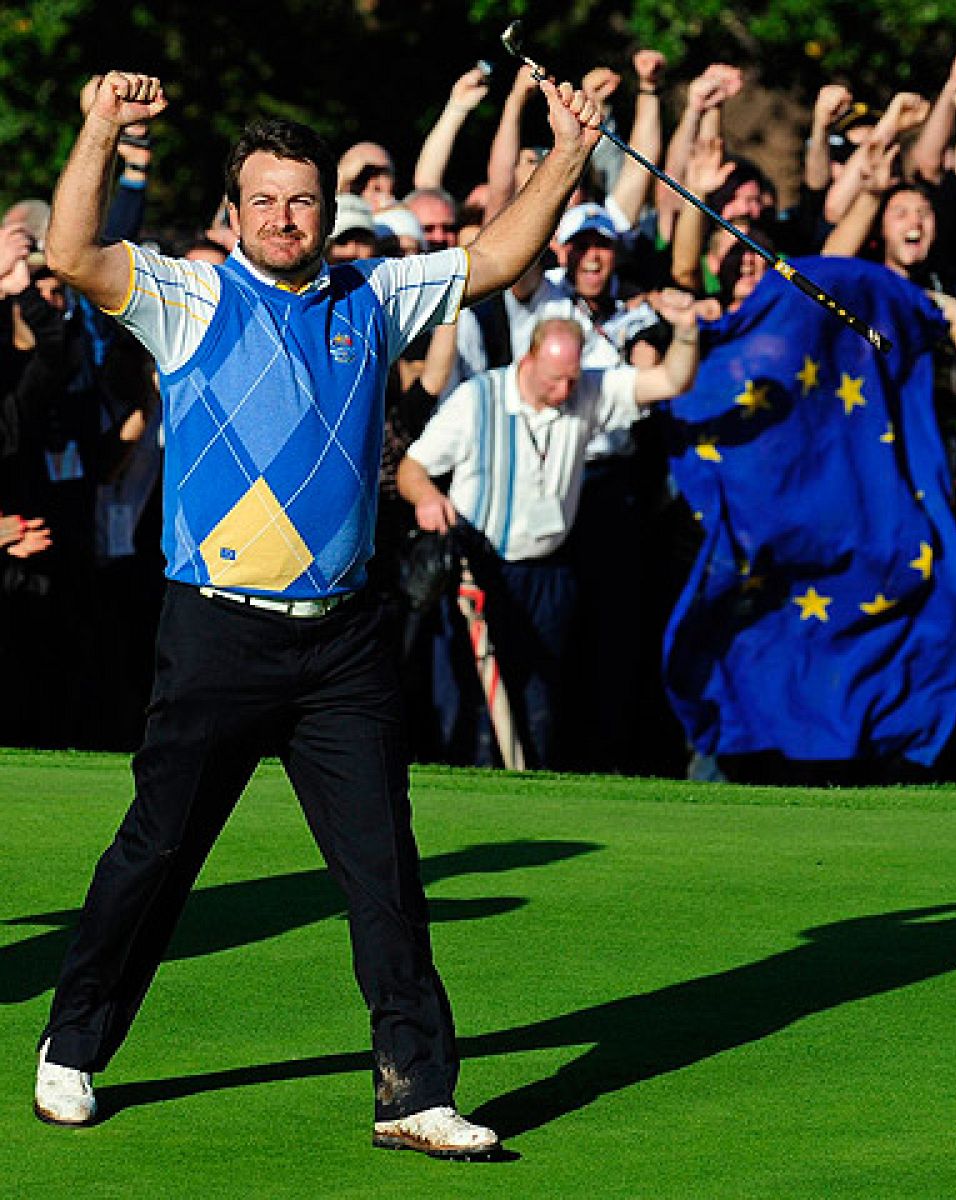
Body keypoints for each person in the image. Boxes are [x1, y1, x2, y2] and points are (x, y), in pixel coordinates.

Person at [32, 66, 604, 1159]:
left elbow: (497, 256)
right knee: (157, 852)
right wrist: (99, 125)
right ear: (233, 212)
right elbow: (71, 253)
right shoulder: (190, 296)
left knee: (383, 870)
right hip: (216, 631)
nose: (284, 217)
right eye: (264, 200)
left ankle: (414, 1091)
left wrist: (570, 152)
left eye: (302, 199)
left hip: (342, 641)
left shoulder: (374, 295)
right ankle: (73, 1044)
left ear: (328, 208)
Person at [397, 301, 702, 767]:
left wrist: (685, 332)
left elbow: (670, 382)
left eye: (571, 380)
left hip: (548, 572)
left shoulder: (585, 392)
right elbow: (412, 468)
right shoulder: (479, 399)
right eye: (554, 380)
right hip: (480, 571)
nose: (563, 391)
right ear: (529, 360)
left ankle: (526, 791)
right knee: (469, 703)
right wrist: (426, 498)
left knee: (537, 700)